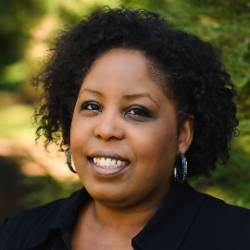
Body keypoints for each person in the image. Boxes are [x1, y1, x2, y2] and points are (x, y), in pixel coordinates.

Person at [0, 7, 250, 250]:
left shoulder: (237, 237)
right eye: (92, 106)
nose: (106, 129)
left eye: (136, 111)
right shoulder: (18, 235)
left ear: (182, 135)